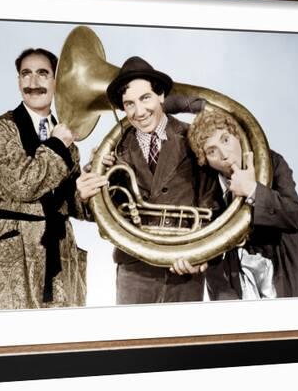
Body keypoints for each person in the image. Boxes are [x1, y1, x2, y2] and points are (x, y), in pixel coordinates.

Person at [76, 56, 218, 305]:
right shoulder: (114, 150)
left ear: (161, 95)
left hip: (184, 266)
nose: (139, 112)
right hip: (134, 271)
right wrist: (89, 194)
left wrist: (204, 253)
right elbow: (102, 215)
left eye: (145, 98)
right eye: (129, 104)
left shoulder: (192, 136)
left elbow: (212, 203)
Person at [0, 48, 87, 311]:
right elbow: (24, 184)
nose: (33, 83)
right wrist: (59, 144)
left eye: (42, 74)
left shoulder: (66, 136)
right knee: (7, 338)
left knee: (62, 342)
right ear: (18, 81)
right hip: (13, 250)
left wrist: (90, 187)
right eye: (26, 74)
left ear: (58, 82)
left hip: (59, 250)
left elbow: (73, 206)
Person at [177, 108, 298, 299]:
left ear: (238, 136)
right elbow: (203, 237)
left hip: (279, 275)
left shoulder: (272, 162)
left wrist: (252, 190)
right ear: (205, 160)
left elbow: (294, 215)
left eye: (225, 140)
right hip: (230, 283)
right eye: (212, 151)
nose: (224, 155)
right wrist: (194, 258)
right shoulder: (204, 184)